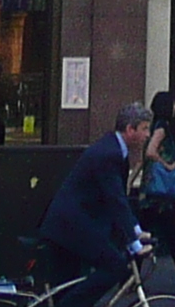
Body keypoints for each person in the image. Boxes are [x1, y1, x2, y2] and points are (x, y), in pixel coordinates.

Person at [41, 102, 150, 297]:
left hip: (72, 225)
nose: (147, 135)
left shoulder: (113, 149)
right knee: (114, 266)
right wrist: (135, 244)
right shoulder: (109, 154)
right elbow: (115, 199)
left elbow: (118, 199)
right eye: (144, 129)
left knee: (69, 285)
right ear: (129, 129)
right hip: (73, 225)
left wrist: (137, 230)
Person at [139, 91, 175, 285]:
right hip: (163, 196)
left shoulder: (156, 125)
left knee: (143, 234)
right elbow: (151, 151)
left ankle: (127, 277)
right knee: (174, 239)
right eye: (174, 104)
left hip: (153, 194)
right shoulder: (162, 127)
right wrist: (169, 165)